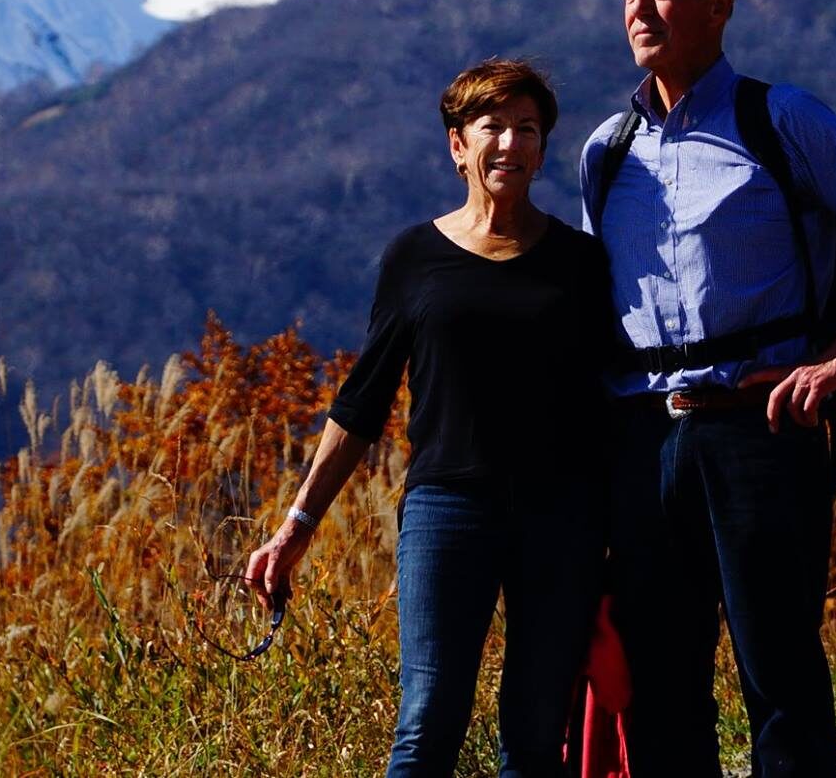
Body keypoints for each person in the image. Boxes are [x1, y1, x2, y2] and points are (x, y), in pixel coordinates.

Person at [580, 0, 836, 777]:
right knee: (660, 675)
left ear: (720, 3)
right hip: (644, 437)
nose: (640, 9)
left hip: (761, 428)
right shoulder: (607, 150)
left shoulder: (778, 120)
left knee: (776, 669)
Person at [245, 58, 611, 778]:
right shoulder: (415, 257)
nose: (510, 144)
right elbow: (362, 401)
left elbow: (612, 401)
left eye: (528, 129)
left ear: (543, 148)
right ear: (457, 145)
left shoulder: (581, 262)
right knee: (428, 722)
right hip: (449, 509)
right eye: (493, 127)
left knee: (538, 734)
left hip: (561, 517)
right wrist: (299, 523)